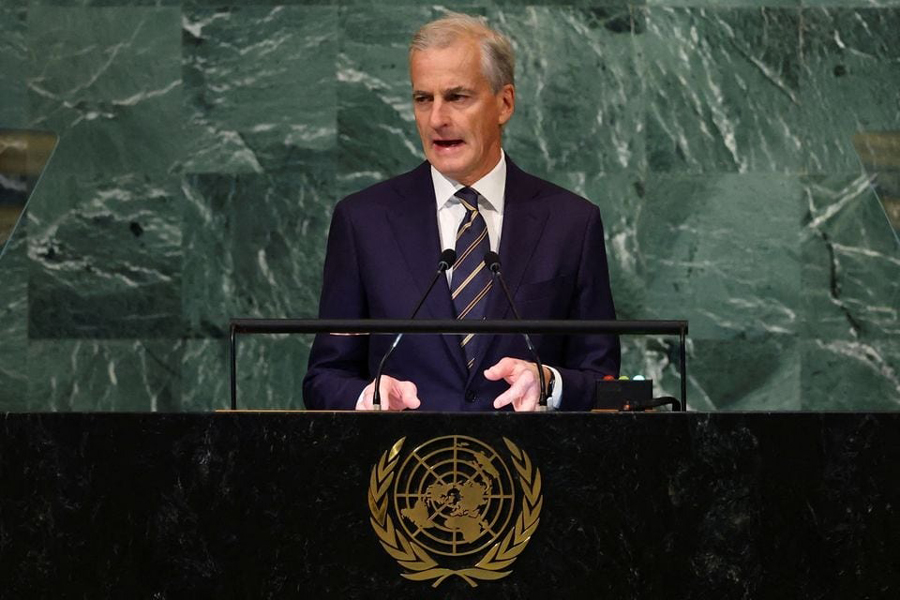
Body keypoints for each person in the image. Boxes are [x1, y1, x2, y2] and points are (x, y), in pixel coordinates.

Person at [302, 13, 619, 412]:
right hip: (403, 468)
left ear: (504, 103)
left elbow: (602, 379)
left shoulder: (572, 223)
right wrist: (368, 397)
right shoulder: (363, 221)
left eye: (457, 97)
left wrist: (549, 383)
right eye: (423, 99)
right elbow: (325, 377)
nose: (437, 119)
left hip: (530, 467)